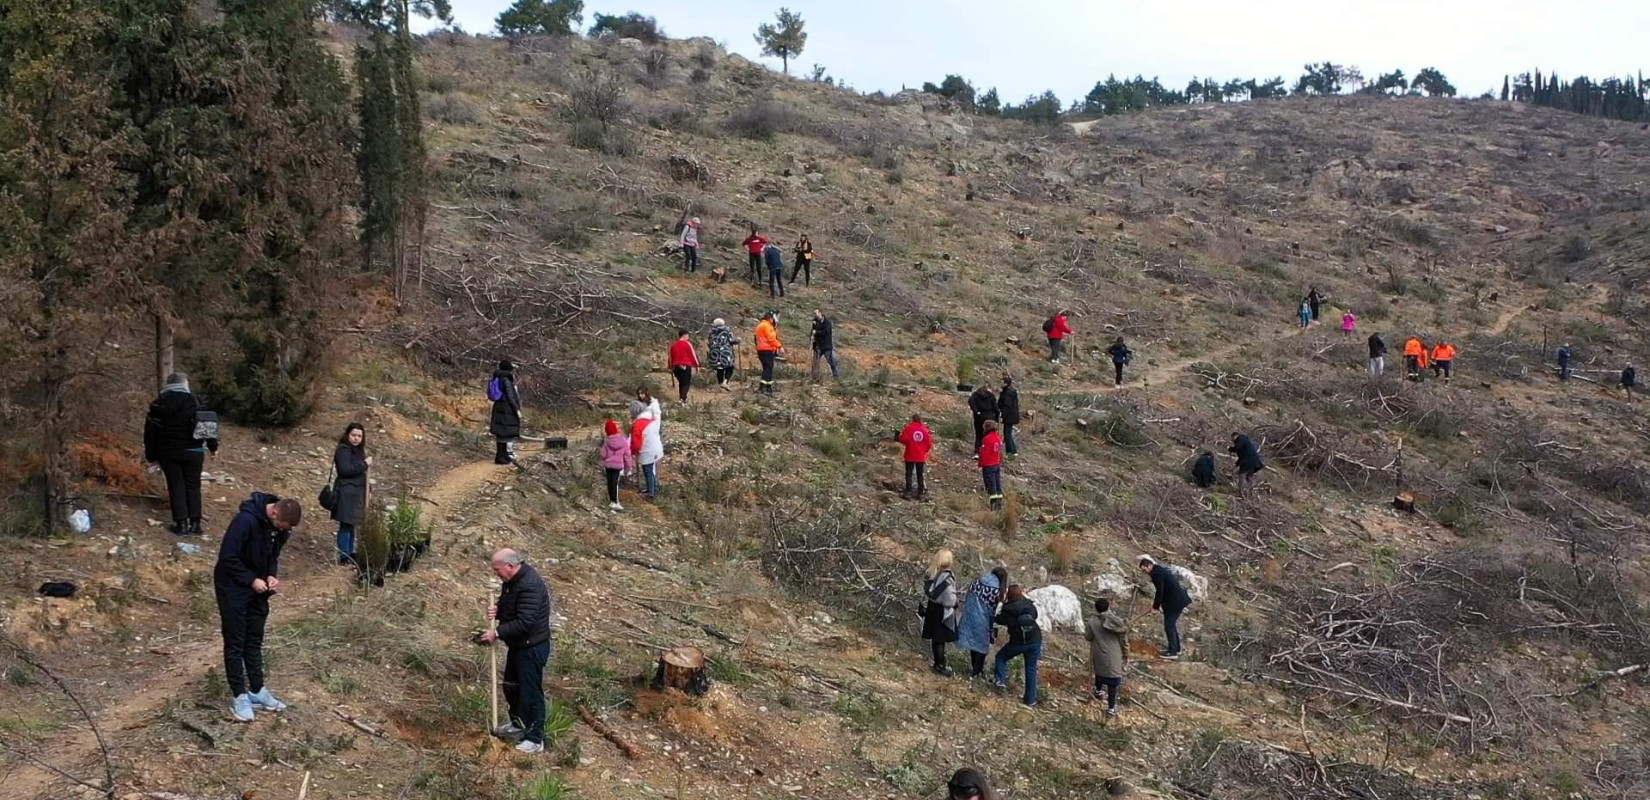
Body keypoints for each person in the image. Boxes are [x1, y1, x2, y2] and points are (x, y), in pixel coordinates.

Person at [215, 493, 301, 721]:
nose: (285, 531)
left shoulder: (280, 529)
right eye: (283, 526)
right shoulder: (245, 521)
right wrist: (250, 579)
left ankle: (257, 689)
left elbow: (273, 555)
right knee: (235, 641)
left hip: (259, 590)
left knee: (254, 639)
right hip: (233, 586)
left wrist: (271, 575)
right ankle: (239, 695)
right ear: (274, 513)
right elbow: (227, 557)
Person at [479, 549, 555, 755]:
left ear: (510, 566)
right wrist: (500, 612)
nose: (496, 574)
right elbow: (512, 606)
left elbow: (525, 622)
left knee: (530, 693)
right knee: (511, 687)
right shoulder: (512, 582)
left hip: (532, 647)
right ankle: (518, 723)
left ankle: (534, 738)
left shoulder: (530, 585)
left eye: (497, 570)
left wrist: (497, 632)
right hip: (519, 646)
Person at [144, 372, 219, 536]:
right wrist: (213, 447)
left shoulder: (158, 404)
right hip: (194, 451)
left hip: (168, 452)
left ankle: (181, 524)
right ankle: (196, 524)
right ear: (185, 384)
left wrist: (151, 457)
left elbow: (150, 434)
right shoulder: (195, 401)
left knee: (176, 486)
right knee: (193, 485)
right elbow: (207, 425)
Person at [992, 584, 1042, 706]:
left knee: (1001, 657)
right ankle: (1030, 700)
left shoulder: (1008, 610)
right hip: (1035, 640)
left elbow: (998, 620)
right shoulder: (1029, 606)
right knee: (1030, 669)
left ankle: (1000, 682)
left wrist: (1001, 604)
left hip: (1018, 642)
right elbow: (1035, 616)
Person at [330, 423, 371, 566]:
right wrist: (364, 464)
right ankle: (344, 556)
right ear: (348, 435)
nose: (356, 438)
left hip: (355, 494)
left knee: (351, 524)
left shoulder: (358, 451)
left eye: (359, 436)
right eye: (354, 435)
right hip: (346, 493)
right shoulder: (343, 450)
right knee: (346, 525)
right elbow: (344, 470)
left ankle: (349, 552)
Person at [956, 566, 1007, 679]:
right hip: (983, 620)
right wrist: (993, 627)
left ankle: (975, 668)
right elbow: (993, 611)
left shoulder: (977, 582)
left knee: (973, 644)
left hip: (969, 615)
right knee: (982, 647)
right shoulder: (995, 590)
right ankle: (977, 672)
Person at [1138, 554, 1191, 660]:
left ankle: (1173, 652)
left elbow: (1160, 592)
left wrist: (1155, 607)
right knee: (1171, 625)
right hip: (1178, 600)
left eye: (1145, 570)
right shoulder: (1159, 569)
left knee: (1169, 626)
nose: (1145, 573)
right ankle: (1177, 649)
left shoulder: (1156, 574)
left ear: (1149, 566)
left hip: (1175, 602)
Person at [1084, 597, 1128, 717]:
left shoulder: (1091, 622)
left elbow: (1088, 637)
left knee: (1099, 672)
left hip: (1098, 653)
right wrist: (1126, 654)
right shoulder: (1116, 622)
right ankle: (1111, 708)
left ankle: (1098, 691)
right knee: (1113, 682)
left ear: (1096, 609)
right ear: (1108, 608)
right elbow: (1124, 640)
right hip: (1114, 655)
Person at [920, 549, 959, 675]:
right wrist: (954, 603)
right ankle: (940, 665)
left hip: (932, 608)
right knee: (940, 639)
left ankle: (938, 663)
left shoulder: (931, 573)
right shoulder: (946, 577)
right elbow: (949, 598)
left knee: (935, 639)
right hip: (942, 611)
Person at [489, 360, 522, 465]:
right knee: (505, 432)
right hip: (506, 408)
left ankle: (503, 455)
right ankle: (500, 456)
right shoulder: (506, 379)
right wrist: (516, 409)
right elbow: (510, 396)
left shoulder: (497, 377)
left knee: (501, 432)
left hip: (499, 407)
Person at [630, 402, 664, 500]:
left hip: (648, 450)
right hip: (655, 448)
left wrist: (633, 451)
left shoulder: (638, 424)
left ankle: (651, 493)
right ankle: (652, 488)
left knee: (648, 471)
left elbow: (636, 442)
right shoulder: (650, 419)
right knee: (650, 470)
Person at [600, 419, 633, 511]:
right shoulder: (623, 440)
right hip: (618, 466)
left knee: (610, 483)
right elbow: (627, 455)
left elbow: (603, 455)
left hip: (608, 465)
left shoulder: (607, 441)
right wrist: (628, 468)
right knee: (615, 483)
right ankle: (615, 502)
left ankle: (612, 501)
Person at [899, 413, 932, 499]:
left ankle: (908, 492)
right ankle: (920, 493)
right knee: (920, 474)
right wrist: (923, 451)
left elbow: (903, 439)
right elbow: (929, 444)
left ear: (913, 419)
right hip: (920, 456)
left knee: (909, 474)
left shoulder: (909, 428)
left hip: (910, 454)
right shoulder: (924, 430)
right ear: (920, 420)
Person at [668, 329, 700, 405]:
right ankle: (682, 399)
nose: (688, 337)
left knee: (681, 383)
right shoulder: (687, 344)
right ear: (685, 335)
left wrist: (671, 366)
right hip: (685, 365)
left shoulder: (673, 345)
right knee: (686, 383)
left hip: (676, 367)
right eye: (688, 335)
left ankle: (683, 400)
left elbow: (670, 357)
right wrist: (697, 365)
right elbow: (693, 355)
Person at [754, 312, 784, 394]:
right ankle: (762, 387)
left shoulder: (759, 326)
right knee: (768, 368)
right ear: (770, 318)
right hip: (767, 350)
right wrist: (779, 346)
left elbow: (755, 339)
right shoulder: (767, 326)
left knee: (766, 368)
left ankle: (768, 387)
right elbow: (771, 339)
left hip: (760, 350)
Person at [978, 420, 1005, 510]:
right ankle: (999, 503)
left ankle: (993, 505)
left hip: (988, 465)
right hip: (996, 463)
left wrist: (980, 464)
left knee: (991, 484)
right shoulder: (998, 437)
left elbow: (983, 453)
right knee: (997, 484)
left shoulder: (986, 439)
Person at [1230, 431, 1264, 497]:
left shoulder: (1240, 439)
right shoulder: (1246, 442)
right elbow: (1243, 456)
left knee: (1241, 475)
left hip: (1248, 462)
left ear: (1234, 436)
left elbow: (1237, 448)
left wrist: (1230, 448)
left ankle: (1241, 492)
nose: (1233, 441)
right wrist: (1236, 464)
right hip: (1253, 462)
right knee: (1249, 476)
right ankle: (1249, 493)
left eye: (1232, 439)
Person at [967, 384, 998, 454]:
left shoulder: (975, 396)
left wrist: (976, 411)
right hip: (990, 417)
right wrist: (997, 416)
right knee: (989, 435)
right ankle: (988, 451)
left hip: (979, 418)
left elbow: (970, 401)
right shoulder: (991, 396)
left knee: (978, 434)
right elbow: (996, 407)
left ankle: (977, 451)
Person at [810, 309, 839, 380]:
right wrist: (811, 337)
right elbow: (813, 331)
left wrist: (816, 332)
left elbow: (825, 332)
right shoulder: (815, 322)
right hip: (817, 346)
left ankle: (836, 375)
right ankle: (815, 377)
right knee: (815, 362)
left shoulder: (827, 322)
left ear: (820, 313)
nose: (814, 315)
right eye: (814, 313)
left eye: (815, 313)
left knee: (831, 362)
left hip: (826, 346)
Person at [708, 318, 737, 391]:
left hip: (715, 354)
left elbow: (709, 343)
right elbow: (731, 341)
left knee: (719, 369)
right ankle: (725, 382)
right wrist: (737, 341)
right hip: (725, 353)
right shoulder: (727, 332)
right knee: (730, 367)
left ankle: (720, 384)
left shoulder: (711, 333)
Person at [998, 376, 1020, 456]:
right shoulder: (1006, 391)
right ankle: (1012, 451)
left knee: (1007, 434)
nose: (1000, 384)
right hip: (1010, 416)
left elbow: (1007, 406)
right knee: (1007, 433)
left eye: (1001, 382)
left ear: (1005, 383)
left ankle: (1011, 452)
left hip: (1010, 416)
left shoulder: (1009, 393)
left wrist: (1002, 416)